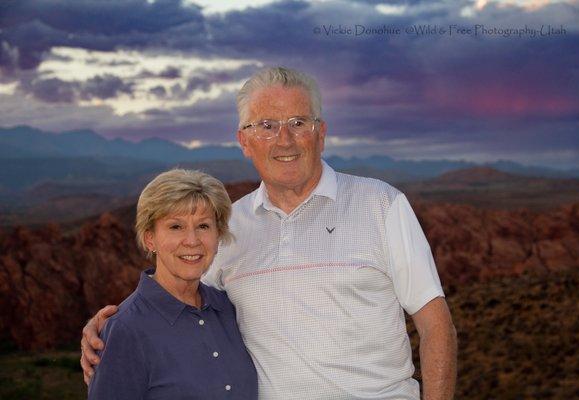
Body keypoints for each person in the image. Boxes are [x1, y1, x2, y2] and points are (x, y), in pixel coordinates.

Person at [82, 67, 457, 399]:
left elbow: (436, 324)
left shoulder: (381, 204)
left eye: (298, 122)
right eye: (266, 126)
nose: (284, 140)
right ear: (244, 142)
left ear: (320, 133)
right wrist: (113, 330)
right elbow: (181, 297)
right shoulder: (229, 226)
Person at [87, 169, 257, 399]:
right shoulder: (126, 330)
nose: (192, 241)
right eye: (176, 226)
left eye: (203, 226)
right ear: (150, 239)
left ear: (218, 235)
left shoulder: (228, 307)